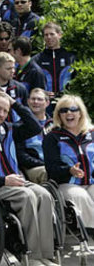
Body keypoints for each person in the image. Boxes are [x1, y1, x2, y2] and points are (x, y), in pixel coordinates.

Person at [0, 90, 57, 266]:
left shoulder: (8, 129)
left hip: (17, 182)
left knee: (44, 195)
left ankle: (45, 255)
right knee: (28, 197)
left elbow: (34, 126)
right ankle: (31, 257)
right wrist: (3, 181)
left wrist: (14, 103)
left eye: (5, 111)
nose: (1, 114)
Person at [43, 94, 94, 231]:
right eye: (63, 110)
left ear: (80, 113)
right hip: (66, 184)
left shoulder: (91, 134)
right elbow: (51, 168)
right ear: (59, 115)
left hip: (91, 182)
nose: (68, 113)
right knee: (80, 197)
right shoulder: (52, 137)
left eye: (73, 109)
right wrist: (69, 170)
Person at [32, 22, 75, 102]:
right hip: (44, 103)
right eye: (46, 35)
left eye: (52, 34)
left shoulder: (70, 57)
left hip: (66, 102)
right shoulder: (36, 59)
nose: (49, 37)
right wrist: (42, 93)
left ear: (60, 35)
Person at [17, 88, 52, 184]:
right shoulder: (19, 126)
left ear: (47, 103)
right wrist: (45, 164)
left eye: (39, 99)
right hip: (33, 168)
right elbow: (21, 156)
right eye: (33, 99)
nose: (35, 102)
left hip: (54, 165)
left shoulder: (55, 124)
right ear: (28, 101)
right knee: (49, 172)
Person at [0, 52, 28, 122]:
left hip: (16, 130)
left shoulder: (20, 89)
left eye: (13, 68)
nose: (13, 71)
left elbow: (27, 114)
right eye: (8, 69)